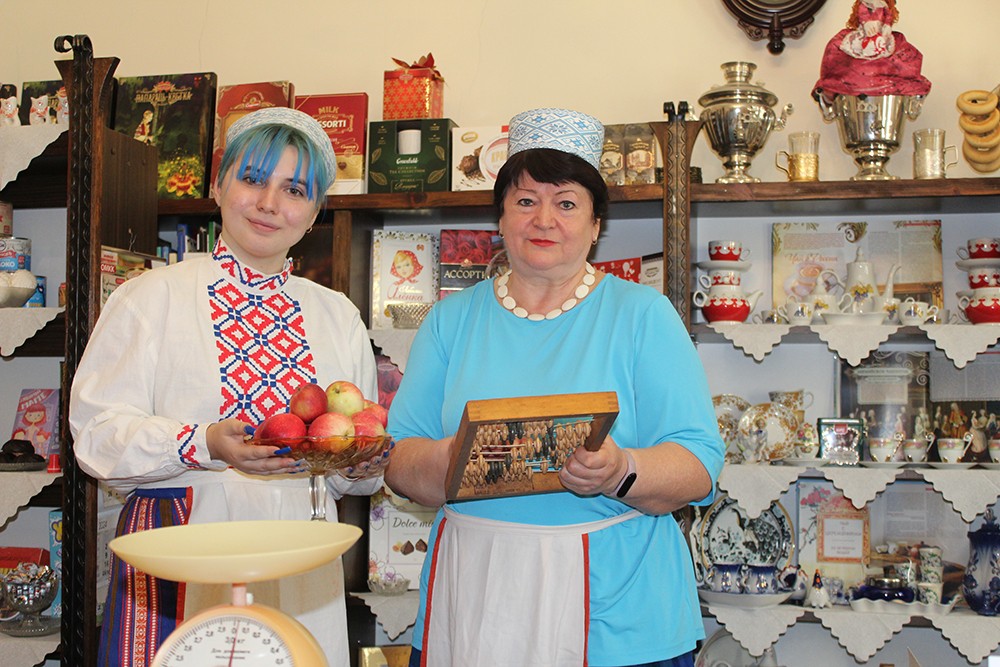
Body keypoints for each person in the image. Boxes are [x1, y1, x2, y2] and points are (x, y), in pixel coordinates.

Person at [384, 107, 725, 667]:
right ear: (500, 217)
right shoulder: (450, 320)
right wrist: (453, 459)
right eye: (525, 201)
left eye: (566, 203)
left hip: (615, 609)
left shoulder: (643, 314)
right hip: (474, 594)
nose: (544, 219)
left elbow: (699, 464)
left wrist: (620, 471)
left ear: (595, 225)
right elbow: (399, 459)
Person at [69, 107, 383, 667]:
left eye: (295, 190)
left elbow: (347, 467)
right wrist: (203, 443)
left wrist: (361, 462)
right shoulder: (149, 297)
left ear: (315, 212)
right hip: (180, 546)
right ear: (217, 185)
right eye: (253, 179)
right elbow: (96, 434)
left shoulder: (337, 315)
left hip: (301, 553)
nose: (269, 203)